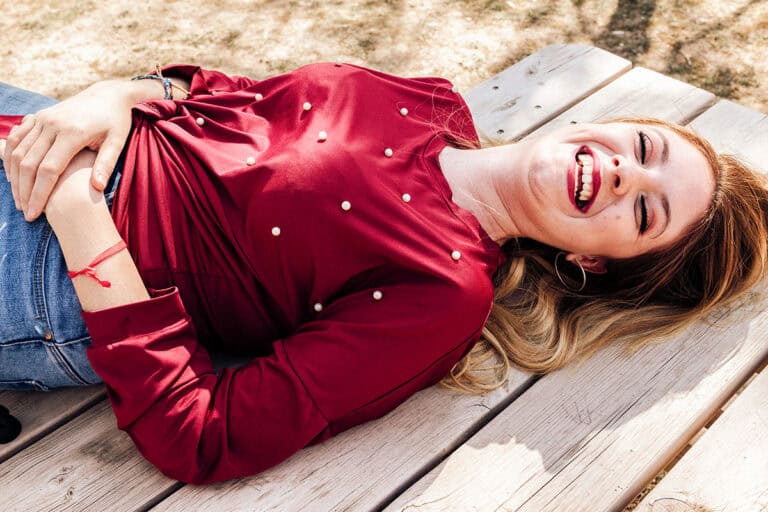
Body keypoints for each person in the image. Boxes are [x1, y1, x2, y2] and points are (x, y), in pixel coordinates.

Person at [0, 61, 766, 483]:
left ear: (594, 262)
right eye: (643, 147)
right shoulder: (431, 100)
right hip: (50, 127)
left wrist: (81, 216)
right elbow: (232, 97)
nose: (625, 174)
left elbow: (204, 436)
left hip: (49, 257)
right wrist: (120, 94)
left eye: (646, 212)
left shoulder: (443, 295)